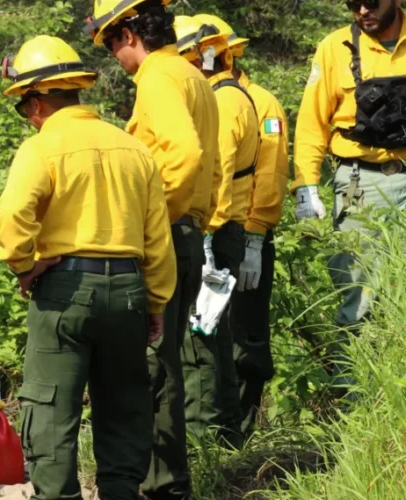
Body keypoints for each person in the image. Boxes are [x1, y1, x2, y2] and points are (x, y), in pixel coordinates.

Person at [0, 34, 177, 499]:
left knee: (51, 408)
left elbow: (14, 219)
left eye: (23, 107)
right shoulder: (135, 150)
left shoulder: (42, 148)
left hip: (64, 291)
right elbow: (157, 238)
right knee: (123, 407)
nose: (26, 117)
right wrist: (155, 301)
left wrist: (26, 267)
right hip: (130, 293)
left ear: (37, 102)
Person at [84, 0, 221, 496]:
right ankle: (165, 480)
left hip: (167, 233)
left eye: (111, 43)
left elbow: (184, 154)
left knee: (152, 365)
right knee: (167, 361)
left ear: (128, 33)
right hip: (188, 231)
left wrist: (151, 219)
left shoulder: (160, 78)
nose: (114, 56)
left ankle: (161, 484)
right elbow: (213, 161)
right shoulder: (192, 77)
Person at [293, 0, 406, 396]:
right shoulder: (334, 46)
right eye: (351, 2)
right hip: (359, 183)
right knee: (359, 293)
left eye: (371, 2)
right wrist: (306, 186)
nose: (361, 10)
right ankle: (355, 397)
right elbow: (311, 123)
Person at [195, 13, 291, 438]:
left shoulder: (262, 104)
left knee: (246, 335)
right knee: (212, 329)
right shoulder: (204, 100)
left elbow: (269, 174)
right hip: (215, 235)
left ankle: (243, 428)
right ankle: (218, 425)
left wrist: (255, 236)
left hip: (245, 235)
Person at [174, 15, 259, 447]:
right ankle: (226, 436)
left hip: (217, 229)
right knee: (215, 334)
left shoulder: (224, 103)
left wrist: (205, 237)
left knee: (200, 339)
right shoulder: (228, 96)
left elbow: (220, 174)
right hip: (224, 229)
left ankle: (204, 440)